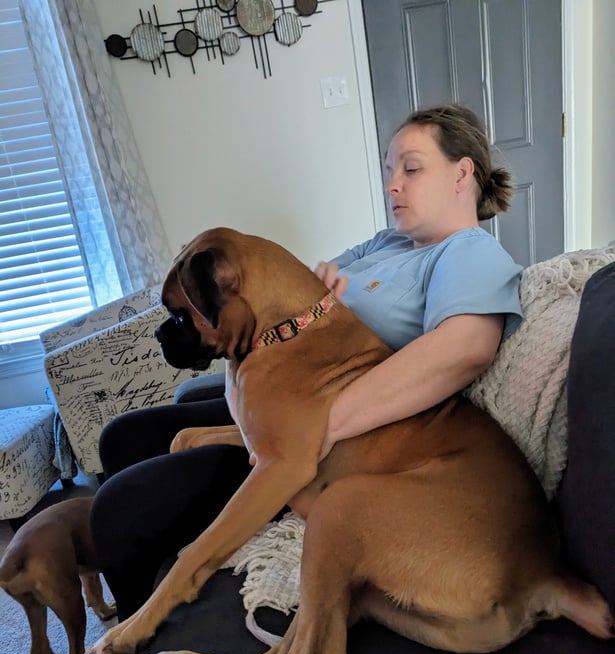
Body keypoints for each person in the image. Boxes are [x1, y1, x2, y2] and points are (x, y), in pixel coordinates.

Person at [91, 103, 523, 622]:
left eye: (411, 168)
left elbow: (465, 349)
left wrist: (322, 427)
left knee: (120, 511)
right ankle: (136, 592)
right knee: (122, 437)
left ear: (462, 173)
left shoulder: (469, 254)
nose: (392, 185)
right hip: (283, 400)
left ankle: (141, 633)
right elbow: (297, 298)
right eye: (389, 170)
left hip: (319, 444)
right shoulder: (387, 243)